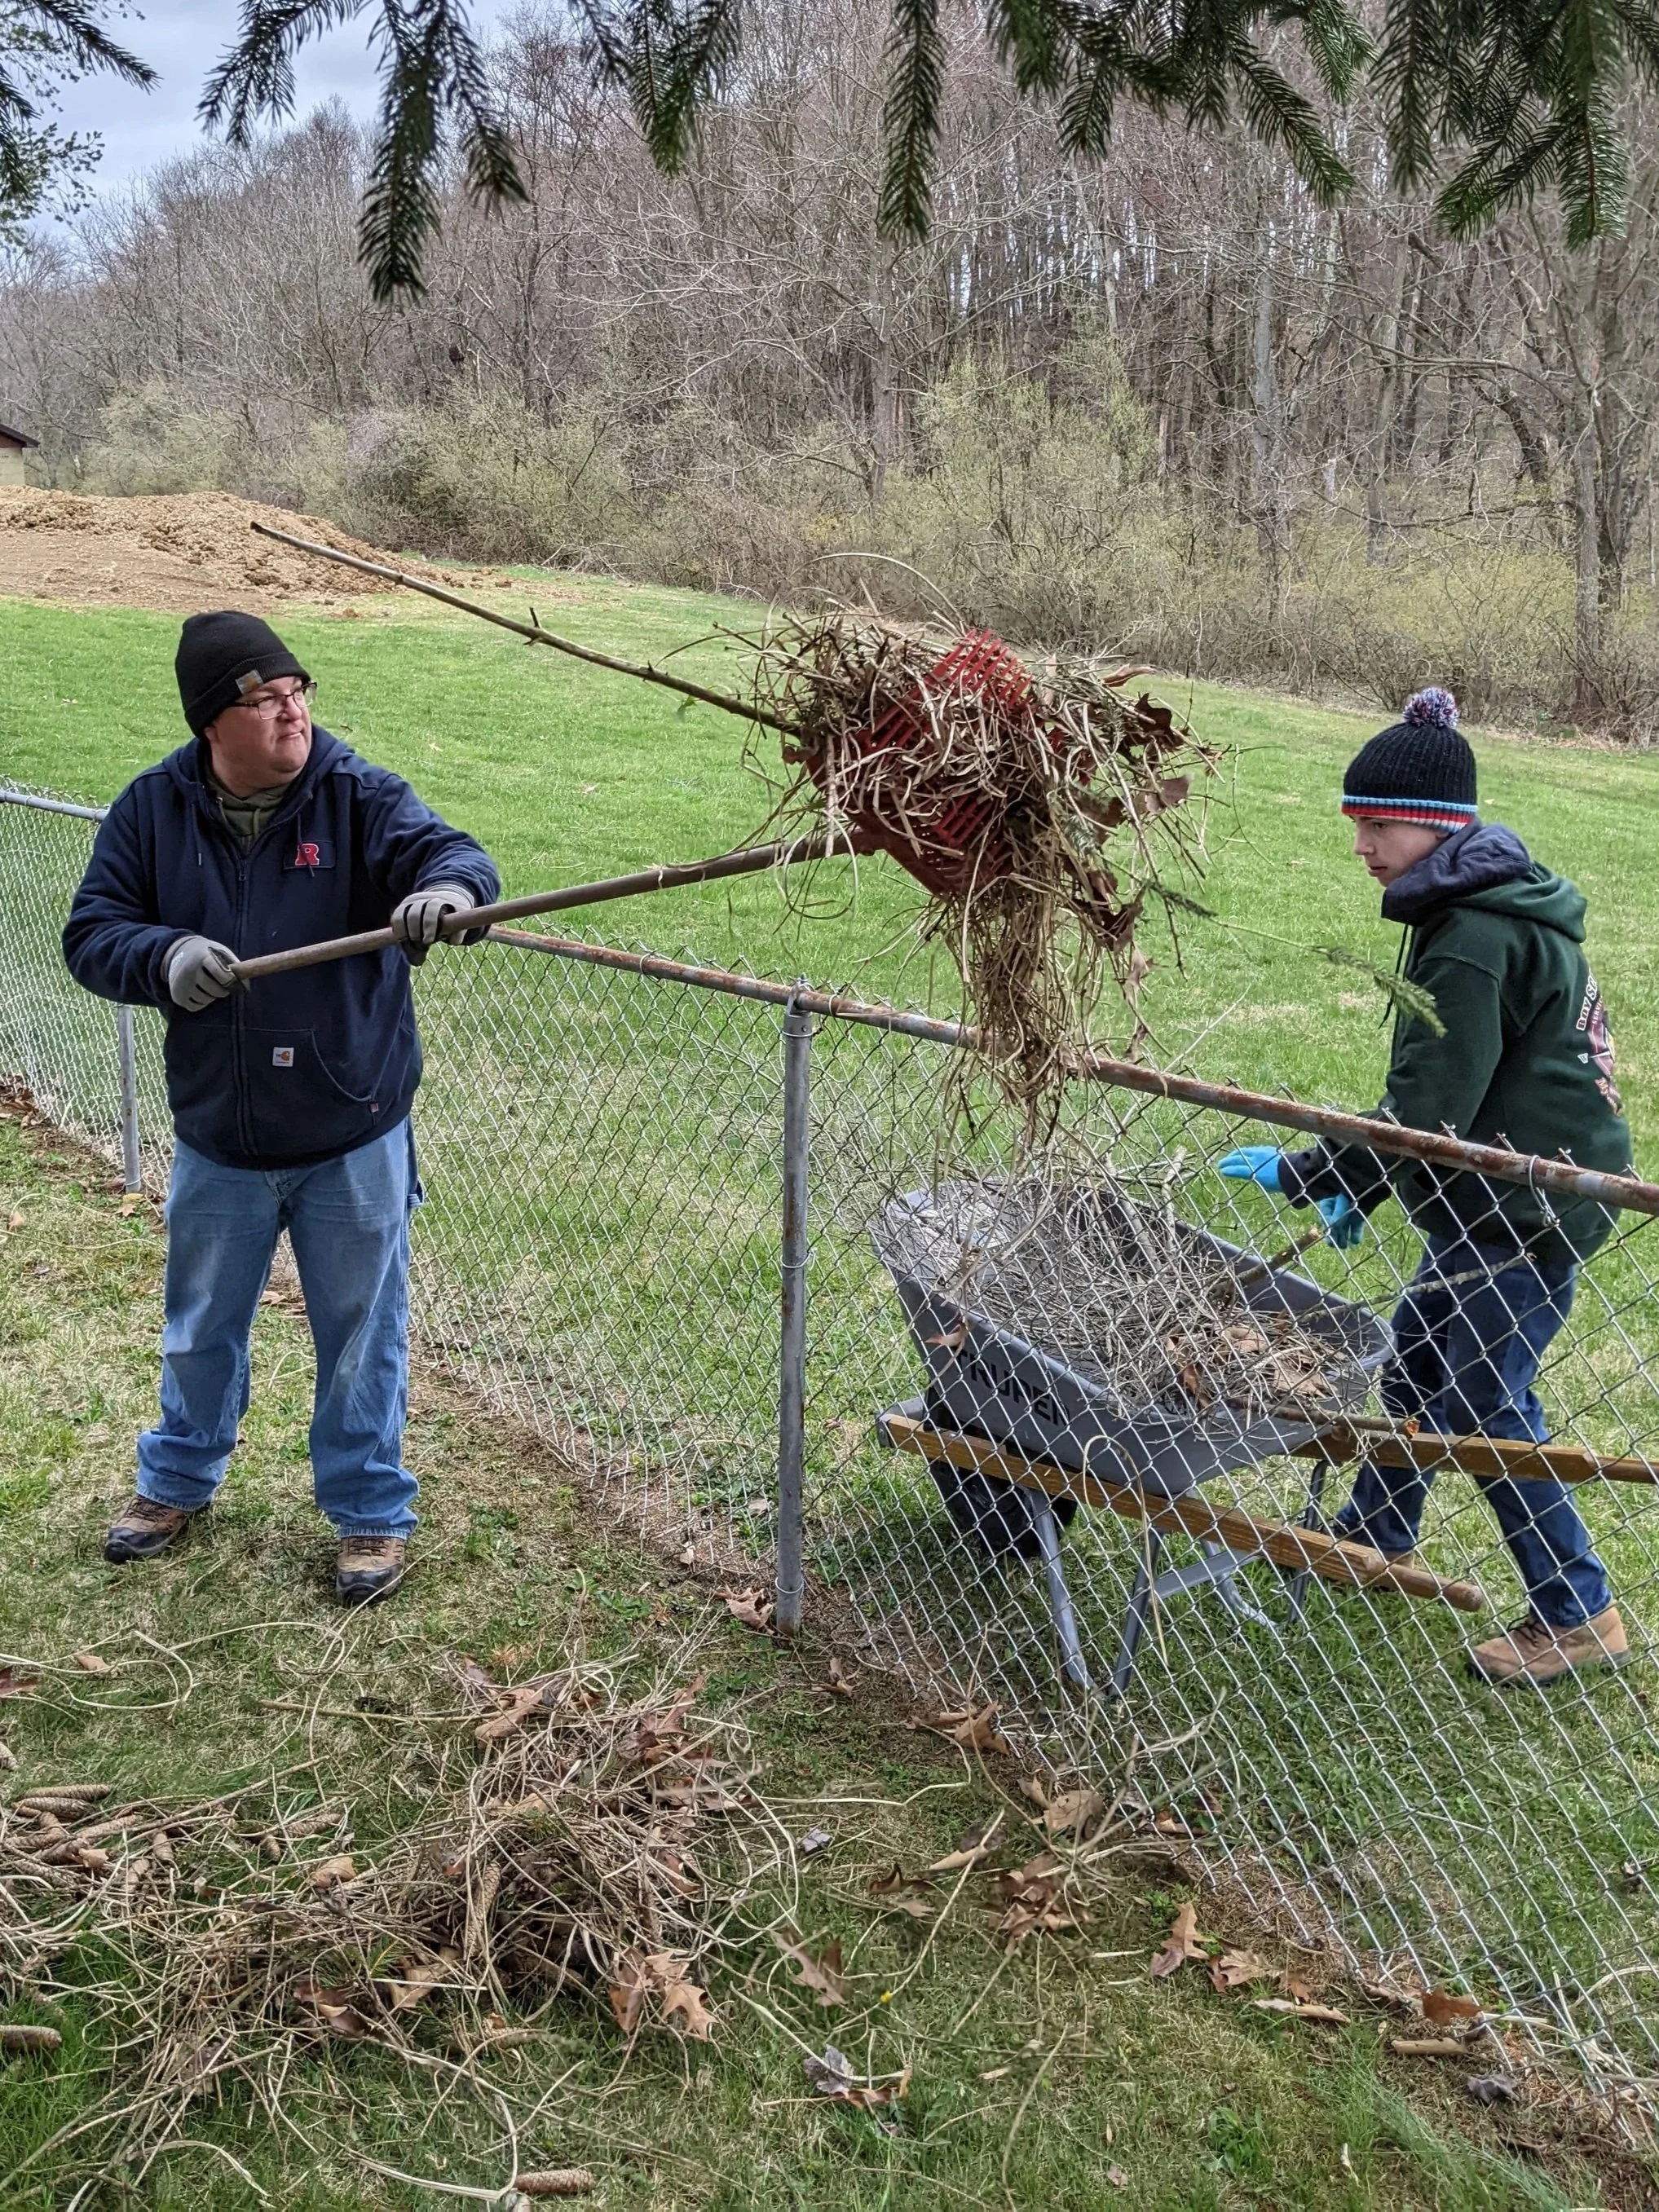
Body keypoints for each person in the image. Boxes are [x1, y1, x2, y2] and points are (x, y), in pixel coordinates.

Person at [63, 610, 501, 1603]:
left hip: (352, 1122)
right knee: (201, 1322)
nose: (291, 711)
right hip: (220, 1128)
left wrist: (448, 891)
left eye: (298, 690)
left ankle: (369, 1511)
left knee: (361, 1331)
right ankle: (176, 1479)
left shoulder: (356, 795)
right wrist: (162, 956)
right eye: (264, 699)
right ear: (212, 721)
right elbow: (93, 931)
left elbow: (453, 853)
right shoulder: (152, 810)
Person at [1218, 687, 1633, 1688]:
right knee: (1411, 1374)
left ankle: (1577, 1609)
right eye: (1354, 822)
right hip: (1480, 1200)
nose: (1360, 843)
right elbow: (1443, 1103)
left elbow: (1423, 1110)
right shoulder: (1470, 906)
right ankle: (1378, 1530)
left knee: (1489, 1405)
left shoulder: (1474, 939)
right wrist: (1370, 1185)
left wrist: (1315, 1169)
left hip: (1521, 1213)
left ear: (1440, 827)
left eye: (1378, 824)